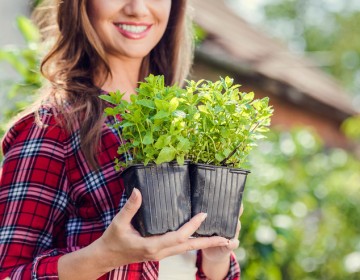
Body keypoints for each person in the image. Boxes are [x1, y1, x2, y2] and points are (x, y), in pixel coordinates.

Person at [0, 0, 243, 279]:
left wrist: (215, 259)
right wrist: (102, 256)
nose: (138, 8)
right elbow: (8, 273)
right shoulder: (51, 126)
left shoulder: (185, 125)